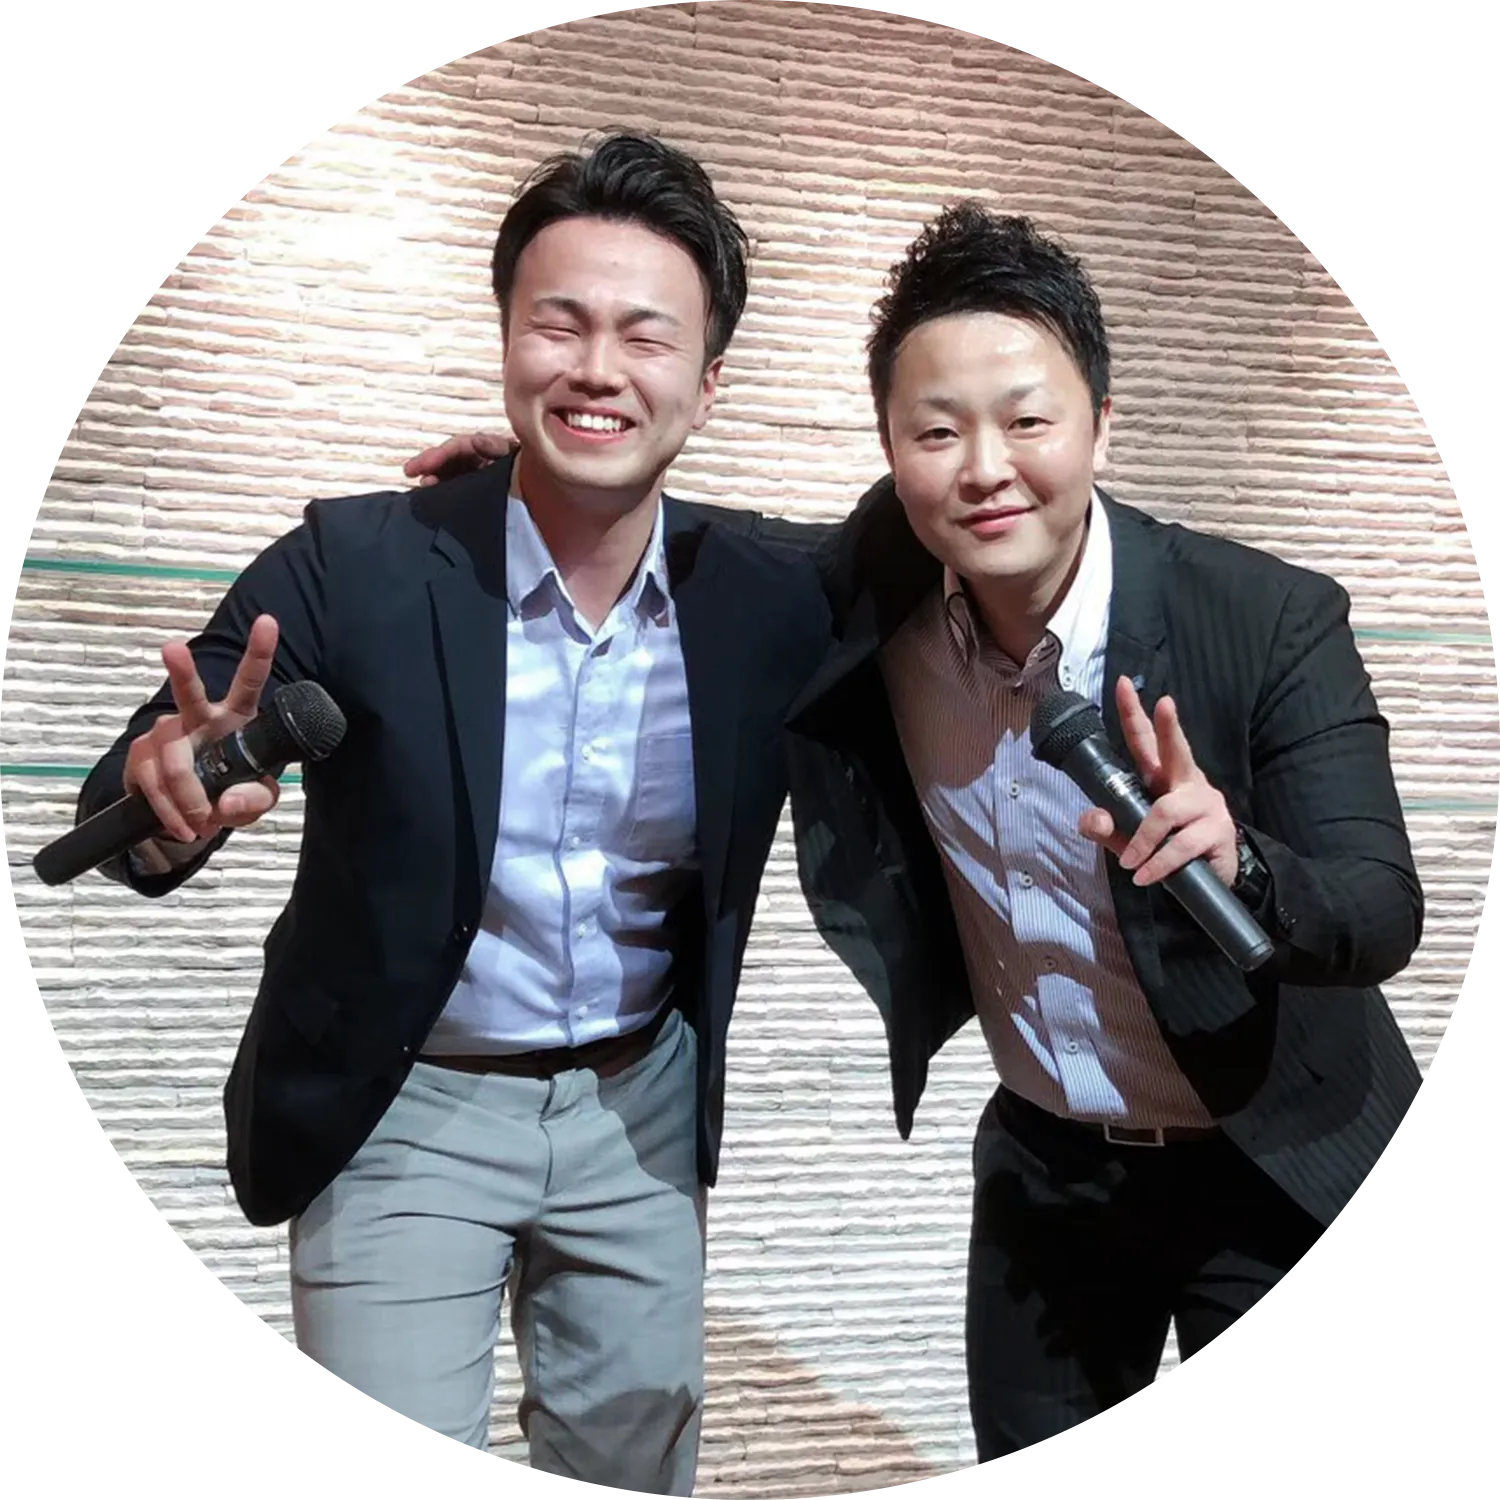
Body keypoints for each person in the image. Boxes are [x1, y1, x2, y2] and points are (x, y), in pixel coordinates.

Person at [409, 204, 1425, 1464]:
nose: (984, 469)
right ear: (893, 451)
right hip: (1052, 1173)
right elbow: (750, 554)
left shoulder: (1268, 617)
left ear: (1101, 423)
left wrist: (1242, 861)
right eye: (936, 433)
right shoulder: (882, 590)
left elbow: (1379, 906)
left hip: (1275, 1157)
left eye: (1027, 421)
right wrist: (554, 495)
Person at [72, 131, 831, 1495]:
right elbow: (142, 776)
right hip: (404, 1096)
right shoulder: (360, 562)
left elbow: (964, 544)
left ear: (708, 383)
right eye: (560, 324)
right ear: (506, 339)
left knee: (635, 1465)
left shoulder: (768, 595)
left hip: (639, 1102)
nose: (597, 369)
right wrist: (167, 797)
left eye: (646, 337)